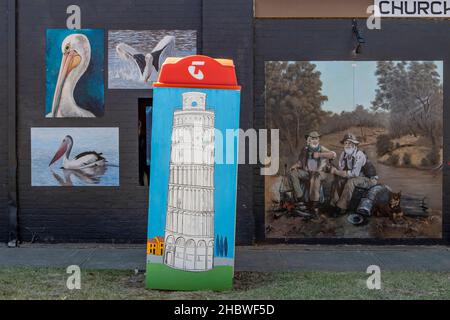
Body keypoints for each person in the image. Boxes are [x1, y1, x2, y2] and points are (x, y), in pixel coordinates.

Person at [329, 133, 378, 216]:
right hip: (358, 177)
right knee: (339, 180)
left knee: (351, 182)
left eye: (350, 143)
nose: (348, 145)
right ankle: (334, 204)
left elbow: (354, 174)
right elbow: (342, 170)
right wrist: (333, 169)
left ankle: (342, 207)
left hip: (369, 179)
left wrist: (336, 172)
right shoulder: (343, 154)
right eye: (346, 143)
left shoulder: (359, 155)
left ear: (355, 144)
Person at [289, 131, 336, 211]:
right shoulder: (305, 149)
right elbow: (300, 161)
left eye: (316, 138)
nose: (314, 140)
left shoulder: (321, 148)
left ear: (318, 140)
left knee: (315, 177)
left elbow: (333, 154)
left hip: (319, 172)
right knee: (293, 173)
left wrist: (320, 154)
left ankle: (314, 203)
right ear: (309, 139)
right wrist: (296, 165)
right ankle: (300, 198)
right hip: (307, 172)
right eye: (312, 138)